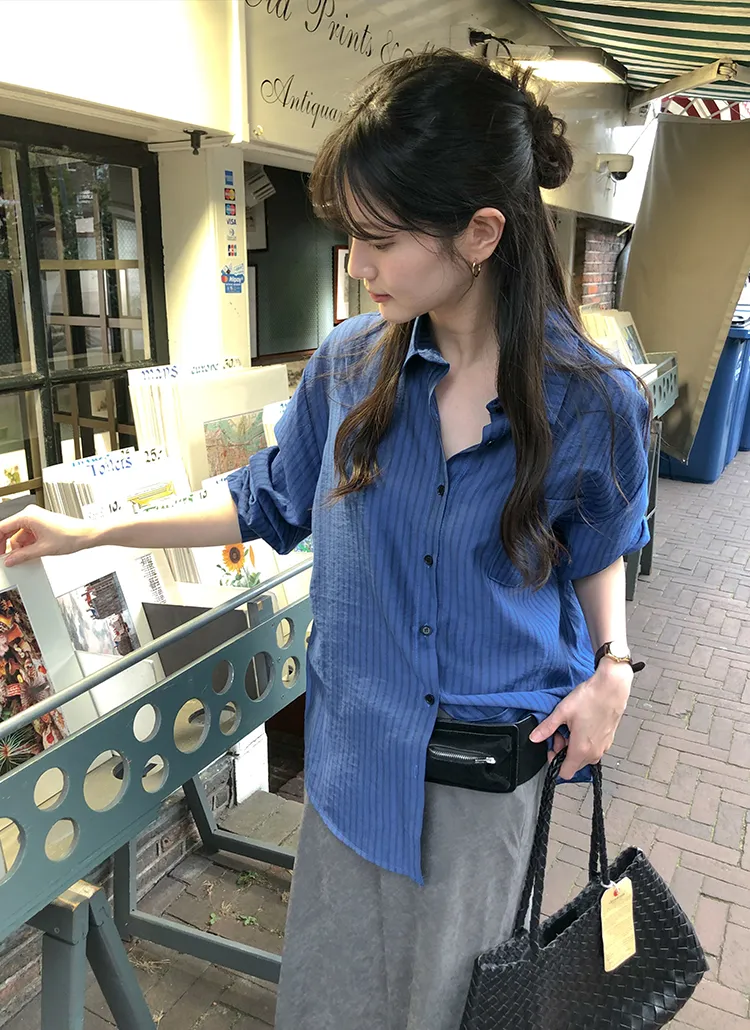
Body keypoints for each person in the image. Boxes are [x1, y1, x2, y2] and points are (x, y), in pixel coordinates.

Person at [0, 51, 650, 1030]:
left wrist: (613, 667)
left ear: (481, 233)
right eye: (351, 234)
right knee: (329, 1006)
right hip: (354, 764)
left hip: (485, 776)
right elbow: (263, 501)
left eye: (380, 238)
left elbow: (599, 543)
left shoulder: (593, 399)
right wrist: (88, 529)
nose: (356, 264)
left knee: (456, 1007)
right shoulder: (349, 368)